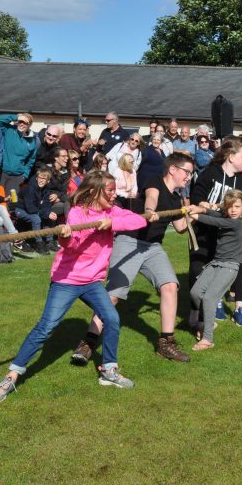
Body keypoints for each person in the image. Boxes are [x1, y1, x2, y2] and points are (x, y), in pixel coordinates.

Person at [0, 172, 149, 403]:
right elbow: (72, 245)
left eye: (114, 190)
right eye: (110, 190)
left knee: (111, 319)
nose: (115, 194)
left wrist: (112, 222)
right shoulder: (78, 213)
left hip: (92, 281)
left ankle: (109, 370)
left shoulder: (111, 211)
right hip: (67, 280)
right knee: (46, 327)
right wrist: (64, 237)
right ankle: (12, 375)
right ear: (94, 192)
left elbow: (138, 220)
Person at [71, 153, 196, 366]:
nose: (189, 177)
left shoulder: (176, 198)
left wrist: (194, 213)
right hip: (130, 241)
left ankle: (166, 342)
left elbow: (181, 228)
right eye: (187, 172)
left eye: (191, 173)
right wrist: (149, 211)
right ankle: (88, 342)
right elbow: (152, 197)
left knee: (170, 286)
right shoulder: (154, 181)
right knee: (113, 295)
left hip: (153, 246)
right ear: (173, 169)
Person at [190, 190, 242, 350]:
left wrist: (196, 216)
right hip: (216, 263)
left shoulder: (238, 222)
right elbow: (215, 215)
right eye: (230, 207)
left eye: (237, 206)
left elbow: (216, 222)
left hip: (230, 267)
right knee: (195, 293)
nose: (233, 210)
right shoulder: (226, 216)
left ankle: (208, 339)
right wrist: (201, 209)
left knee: (210, 298)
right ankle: (211, 322)